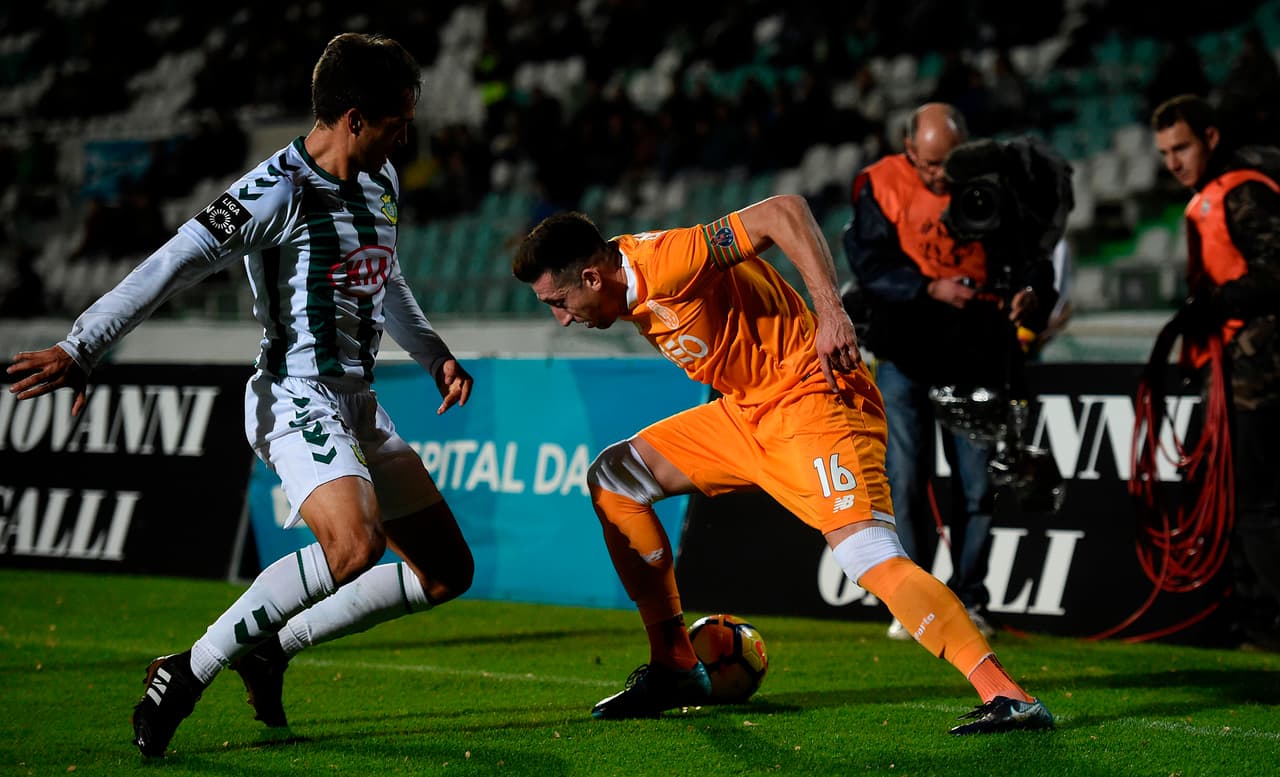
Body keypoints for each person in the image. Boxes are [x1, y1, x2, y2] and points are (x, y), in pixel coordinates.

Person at [6, 33, 477, 757]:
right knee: (355, 545)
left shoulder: (380, 183)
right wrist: (82, 344)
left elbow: (385, 276)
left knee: (448, 570)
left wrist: (433, 351)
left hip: (359, 402)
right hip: (296, 394)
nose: (405, 136)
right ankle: (186, 671)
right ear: (354, 118)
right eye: (396, 122)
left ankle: (272, 645)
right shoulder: (276, 191)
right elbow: (171, 264)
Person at [510, 196, 1054, 735]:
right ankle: (676, 664)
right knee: (613, 479)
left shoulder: (668, 260)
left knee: (867, 555)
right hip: (746, 412)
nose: (561, 319)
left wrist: (831, 312)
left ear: (591, 276)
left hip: (812, 401)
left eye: (558, 301)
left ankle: (1008, 697)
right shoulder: (630, 282)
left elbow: (783, 212)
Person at [842, 103, 1055, 641]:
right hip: (904, 350)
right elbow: (869, 265)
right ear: (909, 149)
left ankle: (970, 599)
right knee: (906, 478)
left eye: (951, 162)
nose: (943, 176)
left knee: (977, 485)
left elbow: (1034, 258)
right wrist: (928, 287)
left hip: (978, 353)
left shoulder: (995, 180)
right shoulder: (881, 184)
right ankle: (913, 601)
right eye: (933, 165)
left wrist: (1032, 295)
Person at [1152, 94, 1280, 648]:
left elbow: (1274, 271)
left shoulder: (1244, 190)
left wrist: (1214, 305)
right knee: (1241, 507)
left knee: (1258, 508)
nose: (1172, 162)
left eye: (1181, 147)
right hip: (1232, 378)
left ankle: (1266, 623)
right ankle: (1254, 626)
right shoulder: (1210, 196)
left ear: (1209, 138)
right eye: (1163, 153)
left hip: (1261, 380)